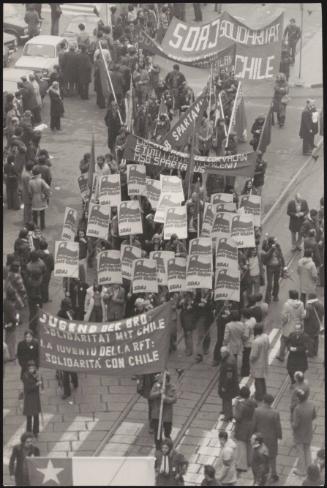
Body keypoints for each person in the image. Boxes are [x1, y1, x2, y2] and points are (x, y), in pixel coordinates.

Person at [252, 394, 282, 482]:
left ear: (263, 401)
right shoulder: (275, 413)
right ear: (271, 402)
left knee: (261, 457)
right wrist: (279, 435)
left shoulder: (256, 411)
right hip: (271, 439)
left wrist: (253, 434)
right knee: (272, 456)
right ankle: (274, 474)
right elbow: (278, 427)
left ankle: (262, 475)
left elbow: (253, 425)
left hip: (260, 439)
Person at [291, 388, 316, 477]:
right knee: (307, 449)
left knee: (300, 451)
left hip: (299, 434)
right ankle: (309, 468)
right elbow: (314, 416)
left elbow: (296, 424)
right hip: (308, 431)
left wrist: (292, 424)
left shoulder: (297, 409)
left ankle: (302, 470)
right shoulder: (312, 404)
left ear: (298, 398)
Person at [149, 371, 177, 450]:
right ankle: (158, 448)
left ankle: (168, 447)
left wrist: (166, 399)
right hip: (157, 413)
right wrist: (159, 393)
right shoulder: (157, 385)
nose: (160, 380)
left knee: (167, 432)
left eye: (162, 378)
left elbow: (174, 399)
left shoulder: (172, 387)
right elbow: (151, 395)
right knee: (157, 432)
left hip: (167, 414)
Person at [57, 298, 79, 399]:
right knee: (66, 370)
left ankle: (75, 381)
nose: (70, 306)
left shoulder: (71, 313)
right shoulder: (60, 315)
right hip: (63, 343)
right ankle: (67, 391)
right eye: (68, 304)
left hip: (71, 343)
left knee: (71, 366)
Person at [277, 289, 305, 362]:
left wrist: (283, 323)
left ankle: (281, 356)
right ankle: (294, 357)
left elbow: (284, 317)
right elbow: (303, 316)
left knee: (283, 340)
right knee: (294, 342)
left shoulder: (286, 304)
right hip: (297, 326)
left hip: (288, 326)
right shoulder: (301, 304)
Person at [233, 385, 257, 473]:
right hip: (251, 425)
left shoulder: (240, 404)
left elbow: (237, 417)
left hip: (242, 426)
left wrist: (235, 406)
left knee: (241, 445)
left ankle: (242, 465)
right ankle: (249, 461)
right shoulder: (253, 402)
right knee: (249, 444)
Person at [261, 236, 285, 303]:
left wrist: (284, 266)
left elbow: (281, 256)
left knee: (276, 282)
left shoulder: (278, 247)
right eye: (274, 242)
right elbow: (266, 257)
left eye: (275, 241)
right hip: (270, 267)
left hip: (277, 267)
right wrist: (272, 249)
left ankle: (275, 295)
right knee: (269, 284)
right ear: (270, 243)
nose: (275, 242)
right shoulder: (267, 248)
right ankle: (267, 298)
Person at [218, 347, 239, 422]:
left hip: (229, 385)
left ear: (225, 353)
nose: (220, 355)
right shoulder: (229, 357)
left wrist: (224, 386)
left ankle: (228, 416)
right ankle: (224, 410)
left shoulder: (228, 362)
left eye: (221, 353)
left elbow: (229, 376)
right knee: (225, 398)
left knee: (227, 399)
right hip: (228, 383)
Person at [22, 360, 42, 437]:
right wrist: (36, 385)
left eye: (33, 368)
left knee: (36, 416)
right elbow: (27, 388)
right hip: (29, 399)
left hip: (35, 398)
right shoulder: (25, 376)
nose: (32, 369)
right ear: (28, 368)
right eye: (30, 368)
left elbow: (40, 382)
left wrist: (39, 380)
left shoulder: (36, 374)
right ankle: (29, 432)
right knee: (29, 417)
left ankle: (36, 431)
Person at [250, 323, 269, 402]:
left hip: (257, 363)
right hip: (264, 360)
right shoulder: (266, 337)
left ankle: (259, 396)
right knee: (262, 379)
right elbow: (268, 346)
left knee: (257, 380)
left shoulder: (256, 342)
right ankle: (264, 393)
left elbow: (253, 355)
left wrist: (250, 360)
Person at [223, 309, 246, 374]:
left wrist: (224, 344)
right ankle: (237, 371)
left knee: (230, 359)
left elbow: (226, 337)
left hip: (231, 344)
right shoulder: (242, 324)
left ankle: (231, 371)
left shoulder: (228, 325)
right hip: (239, 343)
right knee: (238, 358)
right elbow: (243, 335)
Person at [4, 288, 20, 361]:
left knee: (9, 340)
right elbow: (12, 317)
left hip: (6, 323)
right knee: (11, 341)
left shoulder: (5, 302)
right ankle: (11, 356)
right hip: (11, 325)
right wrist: (18, 320)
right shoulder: (10, 305)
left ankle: (10, 354)